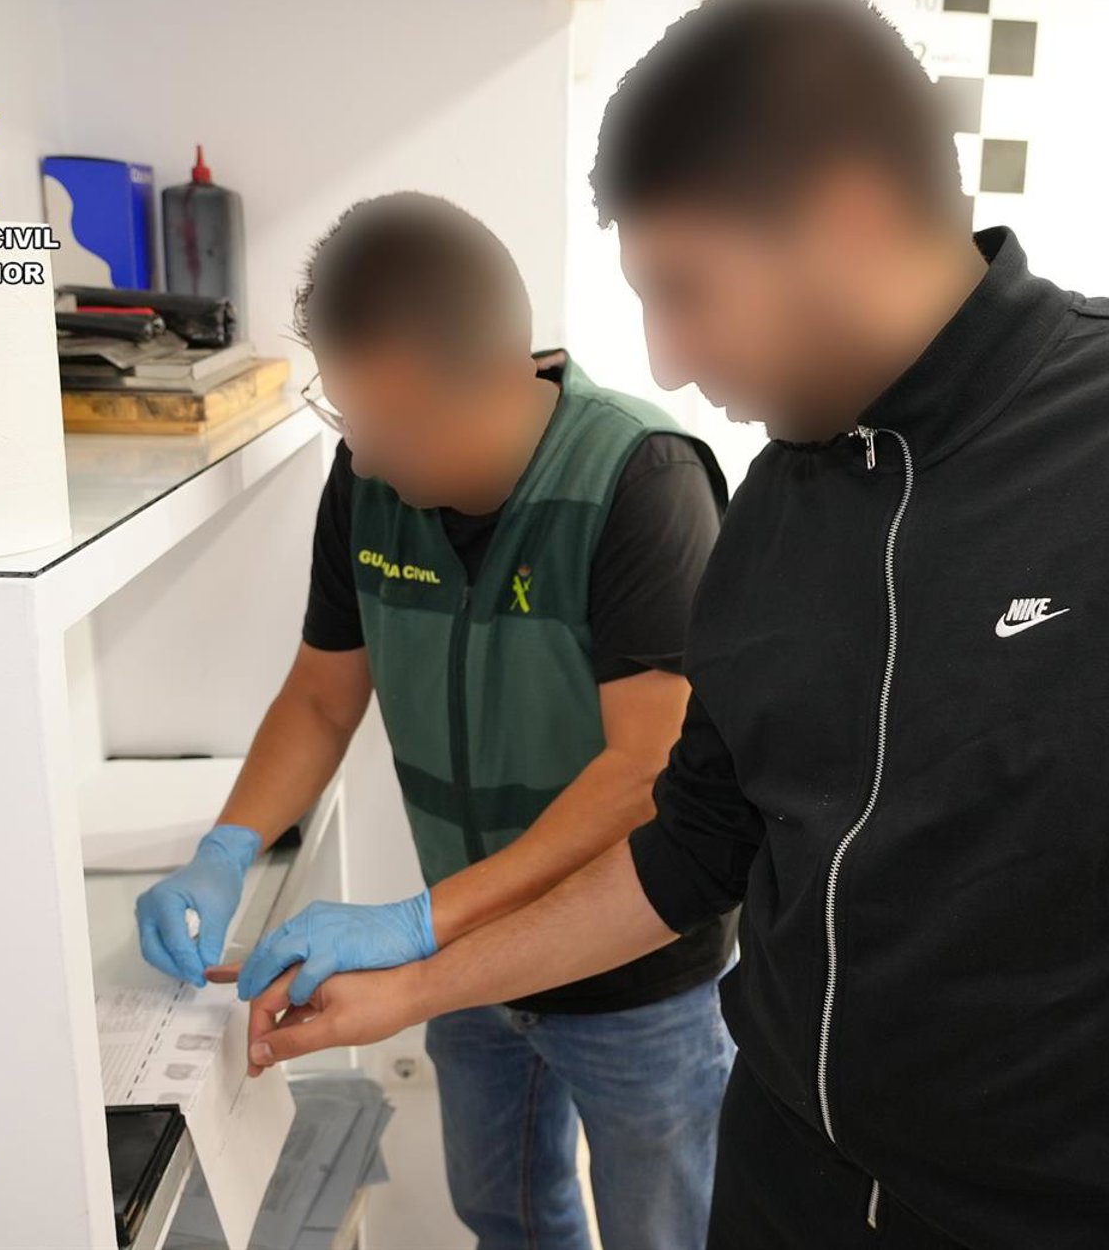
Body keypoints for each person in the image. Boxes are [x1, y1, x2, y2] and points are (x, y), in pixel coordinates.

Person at [229, 0, 1109, 1248]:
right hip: (781, 1196)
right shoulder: (776, 508)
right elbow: (689, 851)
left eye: (686, 288)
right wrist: (415, 983)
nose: (666, 357)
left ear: (848, 217)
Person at [136, 193, 737, 1250]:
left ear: (503, 379)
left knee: (668, 1232)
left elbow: (646, 769)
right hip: (466, 959)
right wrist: (227, 847)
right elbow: (322, 693)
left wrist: (417, 924)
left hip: (638, 972)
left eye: (397, 427)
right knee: (504, 1215)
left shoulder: (642, 481)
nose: (367, 458)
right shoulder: (368, 483)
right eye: (350, 419)